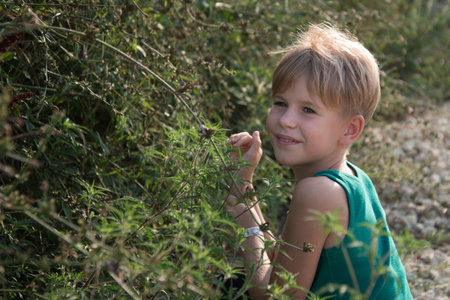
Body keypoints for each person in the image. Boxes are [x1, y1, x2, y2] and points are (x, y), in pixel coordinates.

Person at [224, 23, 412, 299]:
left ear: (350, 129)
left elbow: (276, 297)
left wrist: (248, 227)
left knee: (226, 286)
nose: (286, 121)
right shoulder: (353, 178)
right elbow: (284, 264)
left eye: (308, 110)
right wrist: (245, 189)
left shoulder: (318, 192)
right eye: (280, 103)